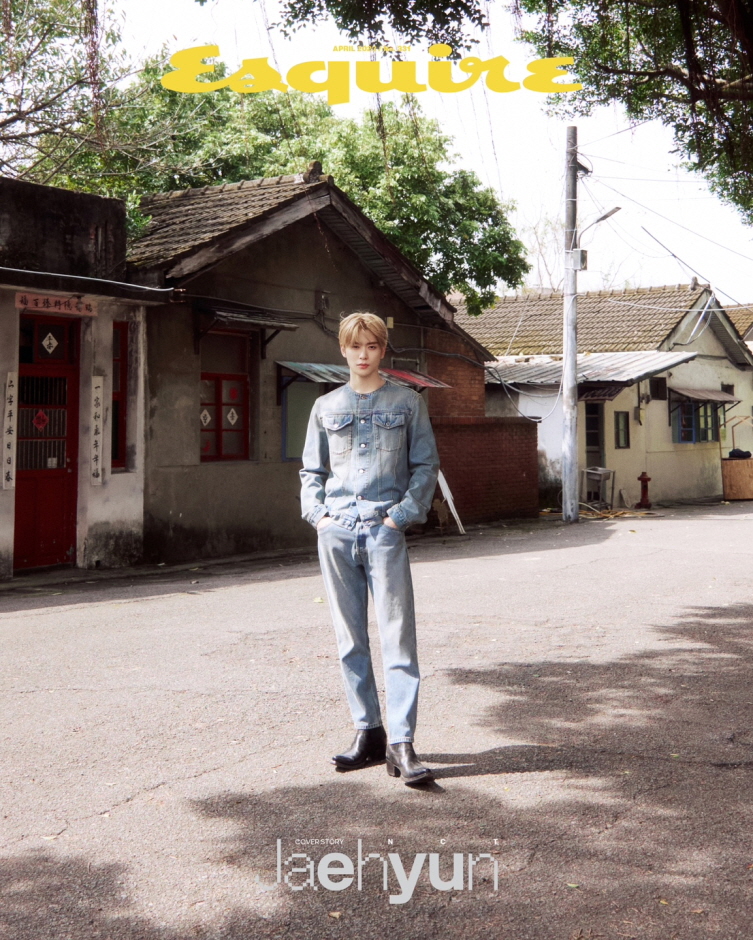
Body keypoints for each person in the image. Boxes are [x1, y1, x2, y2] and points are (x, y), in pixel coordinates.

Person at [300, 312, 440, 785]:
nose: (363, 354)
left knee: (398, 638)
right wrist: (319, 518)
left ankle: (401, 743)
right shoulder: (325, 406)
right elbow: (311, 472)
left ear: (383, 350)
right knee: (350, 639)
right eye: (355, 346)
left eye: (372, 346)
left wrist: (399, 517)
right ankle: (368, 732)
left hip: (384, 532)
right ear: (343, 349)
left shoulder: (407, 403)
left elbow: (425, 466)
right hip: (337, 531)